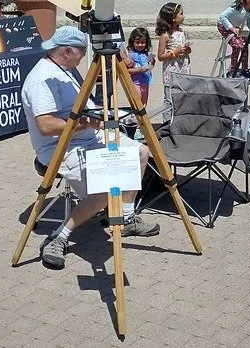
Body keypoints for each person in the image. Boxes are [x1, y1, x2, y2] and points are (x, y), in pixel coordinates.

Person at [21, 27, 160, 270]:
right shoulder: (43, 79)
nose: (84, 58)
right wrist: (89, 122)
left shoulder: (65, 68)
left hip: (88, 135)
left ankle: (126, 217)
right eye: (82, 53)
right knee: (107, 185)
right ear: (66, 51)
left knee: (140, 152)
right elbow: (46, 125)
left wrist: (103, 116)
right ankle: (59, 236)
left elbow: (83, 105)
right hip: (61, 146)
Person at [216, 0, 250, 79]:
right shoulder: (237, 7)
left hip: (236, 28)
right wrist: (231, 28)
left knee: (245, 44)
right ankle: (232, 70)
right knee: (237, 45)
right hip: (224, 26)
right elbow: (223, 17)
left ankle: (245, 69)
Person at [155, 2, 191, 112]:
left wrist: (187, 50)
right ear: (173, 18)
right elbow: (160, 56)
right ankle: (167, 124)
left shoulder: (182, 32)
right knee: (170, 99)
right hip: (171, 71)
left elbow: (187, 50)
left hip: (183, 69)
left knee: (183, 97)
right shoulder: (165, 35)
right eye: (181, 13)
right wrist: (175, 52)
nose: (183, 16)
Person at [126, 27, 155, 108]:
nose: (140, 45)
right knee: (137, 104)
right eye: (137, 42)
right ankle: (134, 119)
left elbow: (149, 68)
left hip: (145, 82)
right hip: (136, 83)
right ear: (132, 42)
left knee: (144, 103)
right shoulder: (131, 55)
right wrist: (139, 70)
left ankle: (142, 120)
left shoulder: (146, 54)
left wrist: (152, 63)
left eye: (143, 42)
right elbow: (127, 70)